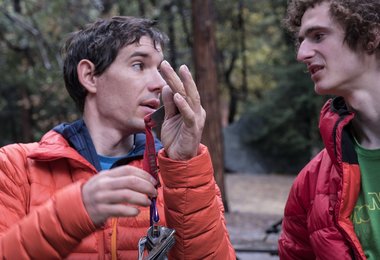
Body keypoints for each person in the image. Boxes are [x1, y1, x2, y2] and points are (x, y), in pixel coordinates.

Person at [0, 16, 235, 259]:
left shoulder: (175, 172)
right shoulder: (16, 168)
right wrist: (75, 211)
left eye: (159, 69)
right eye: (138, 65)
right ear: (90, 76)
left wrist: (185, 167)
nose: (159, 83)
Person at [278, 0, 380, 259]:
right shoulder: (309, 186)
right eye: (301, 40)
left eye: (318, 36)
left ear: (371, 34)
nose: (302, 54)